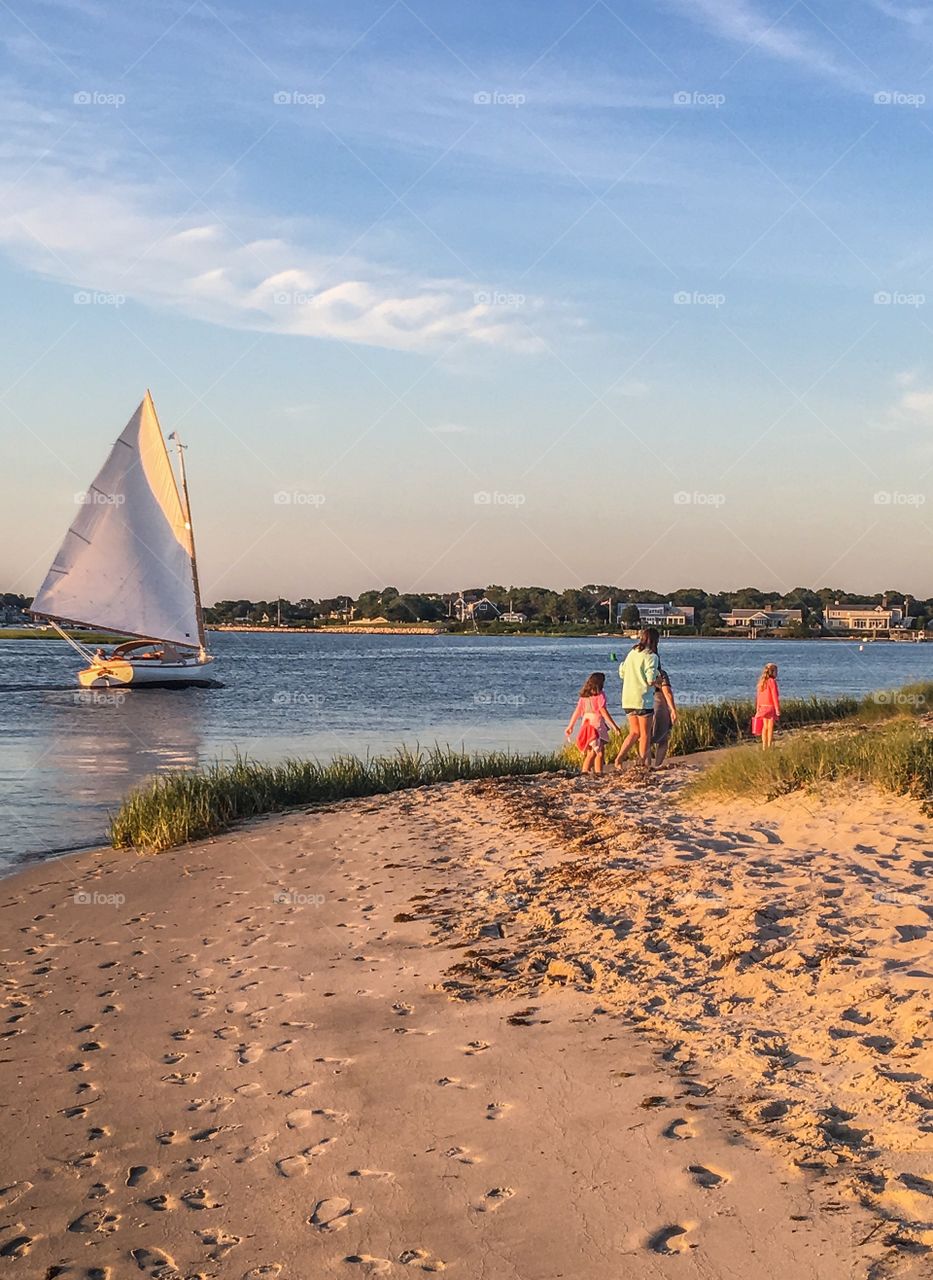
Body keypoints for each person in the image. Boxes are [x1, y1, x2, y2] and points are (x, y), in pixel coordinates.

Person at [615, 628, 660, 769]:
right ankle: (644, 763)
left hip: (627, 698)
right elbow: (650, 679)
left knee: (634, 732)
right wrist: (658, 680)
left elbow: (622, 672)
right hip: (643, 699)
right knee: (645, 734)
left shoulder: (632, 653)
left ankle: (619, 758)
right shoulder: (651, 656)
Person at [565, 672, 621, 774]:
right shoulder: (600, 695)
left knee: (594, 750)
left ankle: (593, 771)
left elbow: (578, 711)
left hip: (586, 723)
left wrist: (571, 725)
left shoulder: (584, 697)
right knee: (597, 752)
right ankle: (591, 771)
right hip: (596, 724)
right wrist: (614, 726)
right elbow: (602, 710)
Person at [651, 667, 678, 766]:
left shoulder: (639, 672)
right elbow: (667, 692)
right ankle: (657, 765)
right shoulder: (661, 674)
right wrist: (673, 709)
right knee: (663, 739)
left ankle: (646, 764)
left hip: (643, 705)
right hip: (659, 704)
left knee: (645, 739)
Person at [755, 662, 780, 749]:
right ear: (772, 672)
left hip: (762, 707)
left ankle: (764, 746)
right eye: (776, 671)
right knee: (770, 727)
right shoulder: (772, 682)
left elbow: (758, 696)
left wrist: (758, 707)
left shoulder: (762, 682)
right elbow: (774, 696)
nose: (777, 673)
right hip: (770, 707)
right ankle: (769, 745)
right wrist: (777, 709)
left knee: (764, 727)